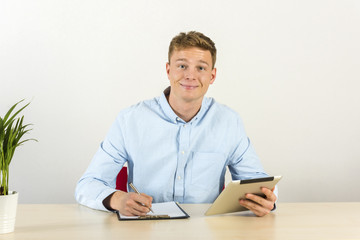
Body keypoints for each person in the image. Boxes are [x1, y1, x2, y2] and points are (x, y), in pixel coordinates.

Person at [75, 31, 277, 217]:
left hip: (206, 230)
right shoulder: (130, 120)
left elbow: (257, 181)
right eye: (182, 66)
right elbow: (87, 185)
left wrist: (266, 199)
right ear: (168, 70)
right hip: (146, 228)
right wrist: (117, 199)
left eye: (201, 68)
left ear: (212, 75)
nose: (190, 75)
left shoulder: (229, 122)